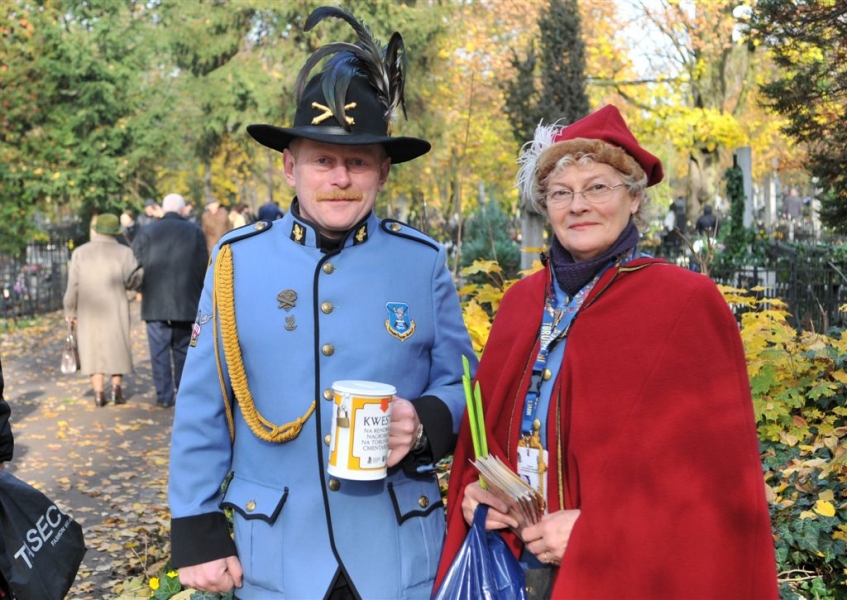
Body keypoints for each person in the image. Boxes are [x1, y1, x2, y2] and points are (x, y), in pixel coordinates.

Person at [168, 7, 476, 599]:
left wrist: (424, 422)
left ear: (383, 172)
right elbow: (203, 403)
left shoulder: (421, 261)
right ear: (291, 167)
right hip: (277, 554)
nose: (340, 178)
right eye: (323, 160)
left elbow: (465, 384)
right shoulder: (236, 262)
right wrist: (197, 527)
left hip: (397, 553)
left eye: (358, 161)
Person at [435, 105, 778, 598]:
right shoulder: (519, 303)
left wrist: (600, 532)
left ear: (634, 197)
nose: (578, 205)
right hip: (509, 568)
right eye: (561, 192)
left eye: (597, 187)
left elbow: (713, 487)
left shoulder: (685, 303)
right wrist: (476, 492)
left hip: (621, 576)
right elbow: (482, 439)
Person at [132, 193, 207, 408]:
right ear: (182, 210)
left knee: (158, 351)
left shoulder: (147, 231)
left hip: (154, 300)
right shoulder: (194, 231)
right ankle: (183, 394)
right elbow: (203, 265)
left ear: (163, 209)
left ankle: (164, 396)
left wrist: (140, 287)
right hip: (185, 301)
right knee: (183, 349)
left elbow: (134, 262)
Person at [63, 213, 143, 407]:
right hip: (116, 307)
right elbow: (133, 281)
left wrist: (70, 311)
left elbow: (72, 287)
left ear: (97, 230)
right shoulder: (124, 253)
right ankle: (116, 390)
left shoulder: (80, 253)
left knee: (92, 348)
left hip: (88, 309)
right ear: (115, 231)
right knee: (117, 345)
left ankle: (98, 393)